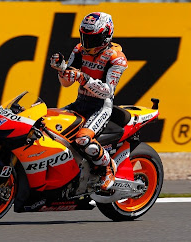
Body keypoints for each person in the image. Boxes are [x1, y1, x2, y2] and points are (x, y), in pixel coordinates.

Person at [49, 12, 128, 190]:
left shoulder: (116, 57)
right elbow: (66, 83)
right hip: (81, 102)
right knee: (51, 129)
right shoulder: (79, 50)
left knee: (83, 140)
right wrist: (62, 69)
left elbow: (107, 92)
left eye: (92, 38)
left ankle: (108, 168)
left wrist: (83, 78)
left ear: (106, 35)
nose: (87, 43)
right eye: (84, 37)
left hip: (101, 107)